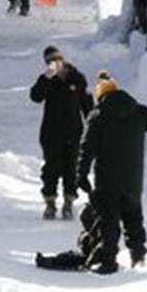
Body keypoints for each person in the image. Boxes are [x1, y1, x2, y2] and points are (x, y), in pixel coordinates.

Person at [77, 71, 147, 275]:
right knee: (133, 219)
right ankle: (138, 257)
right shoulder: (137, 111)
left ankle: (109, 261)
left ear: (100, 96)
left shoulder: (98, 115)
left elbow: (87, 148)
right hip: (132, 180)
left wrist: (82, 175)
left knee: (109, 222)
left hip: (108, 180)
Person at [29, 45, 93, 220]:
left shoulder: (77, 78)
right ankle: (50, 202)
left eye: (57, 60)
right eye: (50, 62)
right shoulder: (47, 80)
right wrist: (46, 78)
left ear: (62, 59)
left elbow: (87, 104)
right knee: (51, 167)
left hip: (74, 132)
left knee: (71, 168)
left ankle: (68, 202)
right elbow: (35, 97)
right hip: (51, 132)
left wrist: (95, 124)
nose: (54, 64)